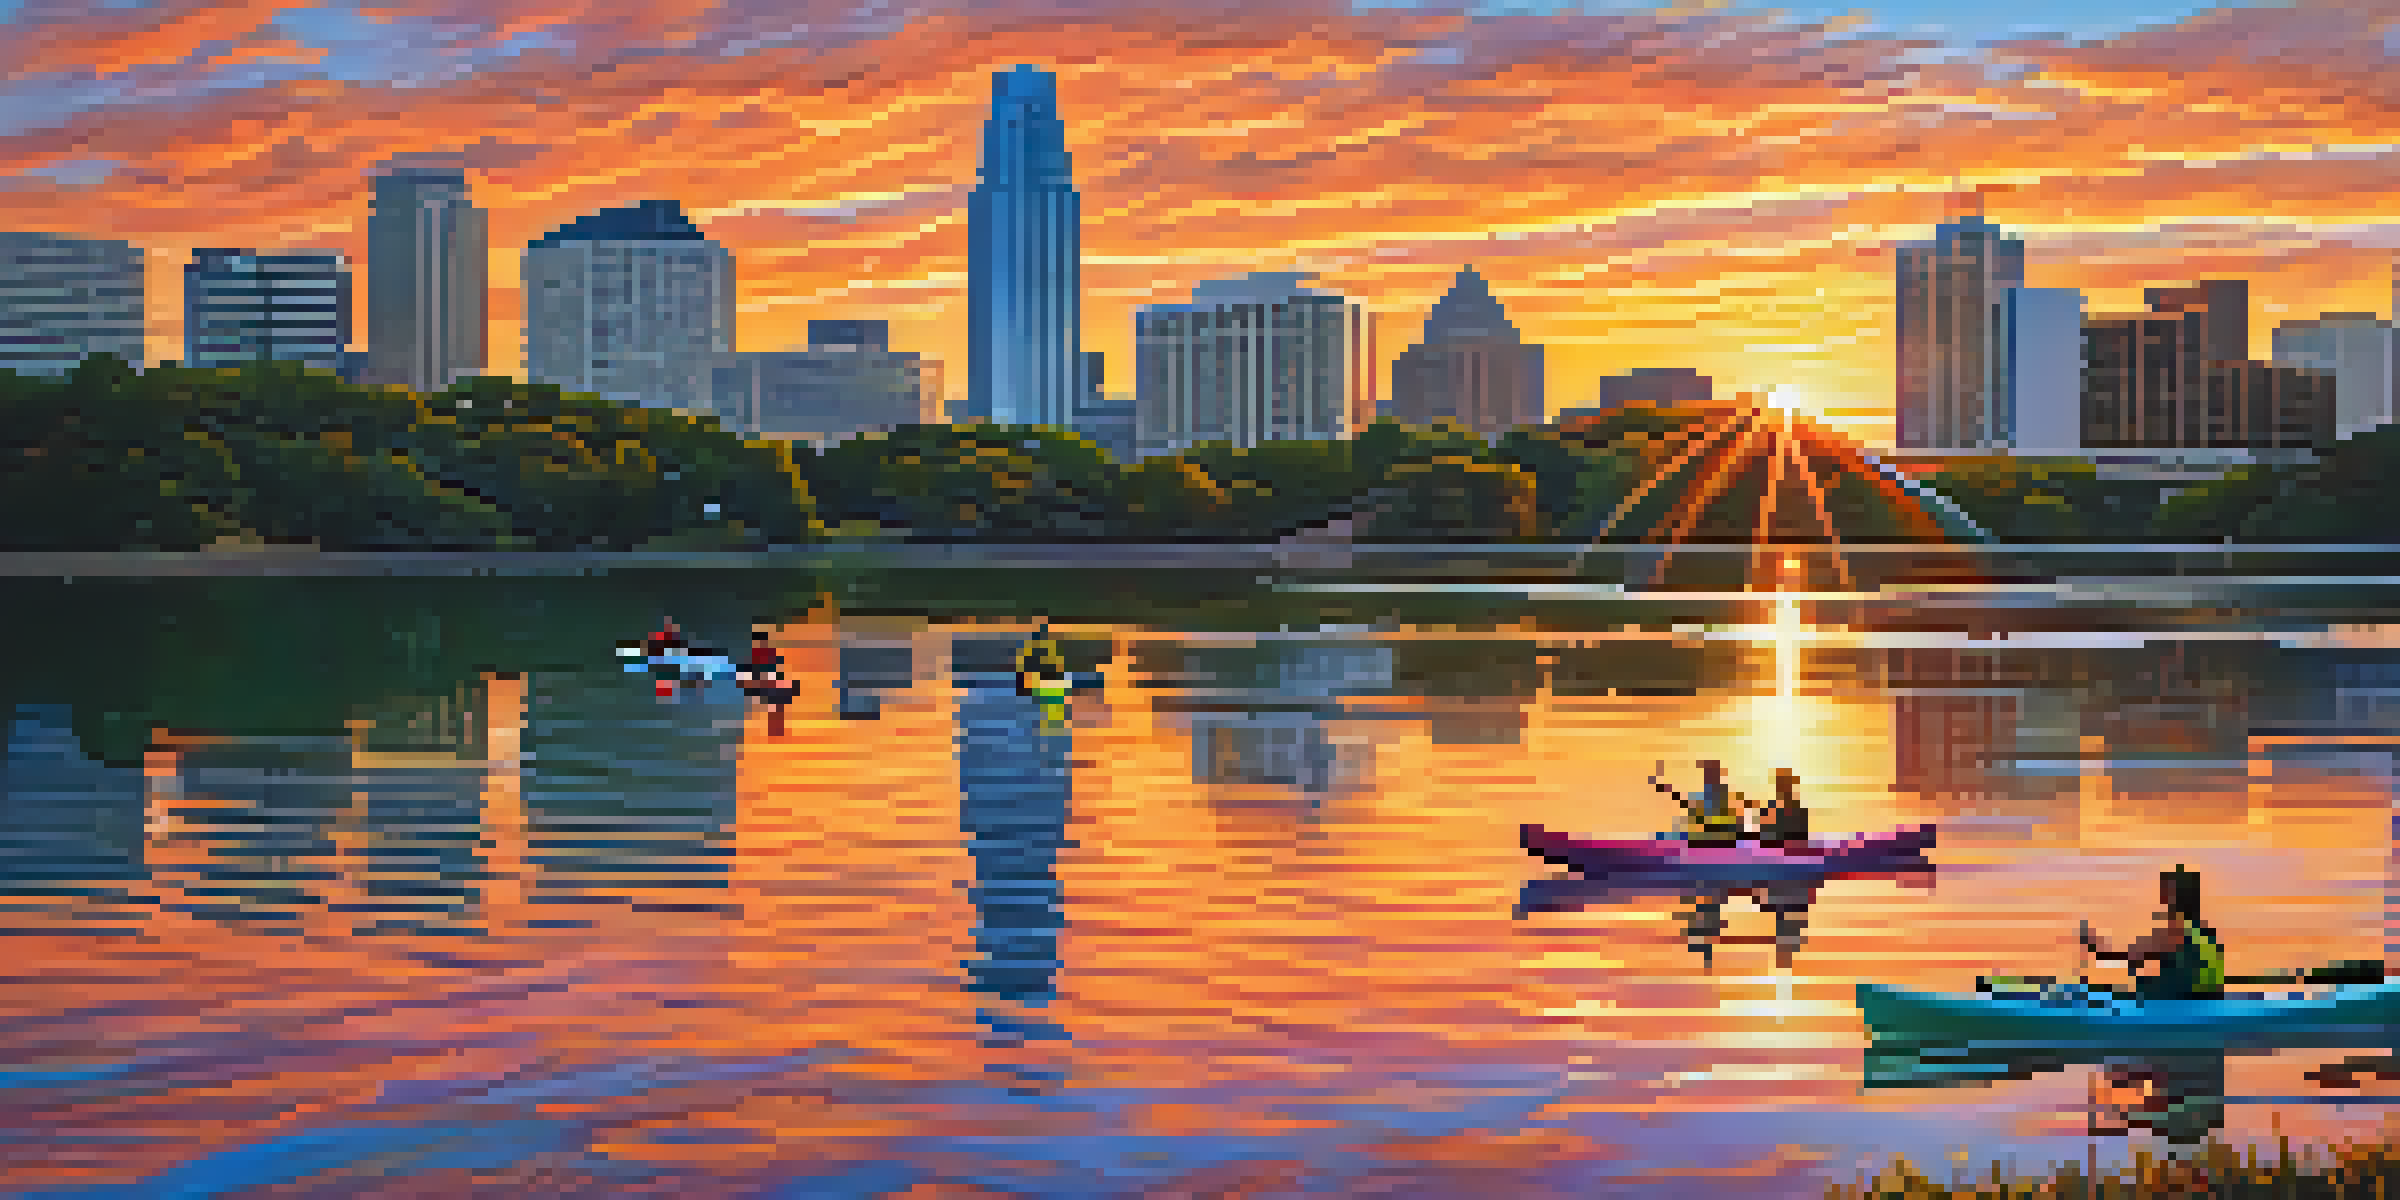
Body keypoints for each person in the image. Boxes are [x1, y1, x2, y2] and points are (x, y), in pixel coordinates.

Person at [2080, 866, 2225, 1000]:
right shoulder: (2205, 932)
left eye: (2166, 891)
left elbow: (2134, 956)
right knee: (2144, 982)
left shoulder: (2176, 928)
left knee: (2138, 984)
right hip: (2210, 996)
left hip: (2186, 997)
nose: (2163, 897)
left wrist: (2096, 948)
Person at [1755, 767, 1810, 848]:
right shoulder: (1770, 807)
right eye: (1780, 783)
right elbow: (1764, 838)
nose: (1782, 787)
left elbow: (1800, 839)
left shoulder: (1799, 810)